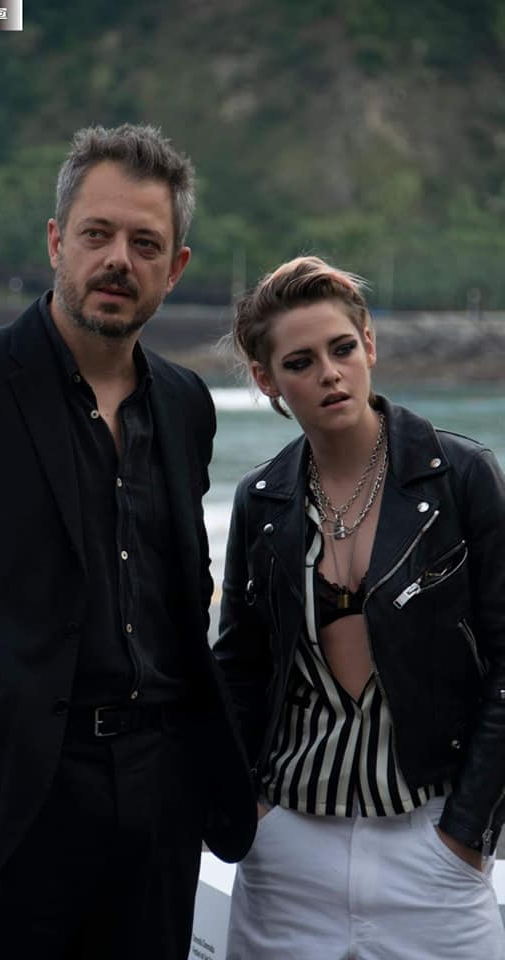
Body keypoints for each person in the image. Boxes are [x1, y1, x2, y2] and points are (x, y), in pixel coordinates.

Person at [0, 123, 256, 959]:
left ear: (176, 267)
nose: (118, 260)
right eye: (96, 234)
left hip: (157, 813)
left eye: (145, 244)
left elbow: (180, 600)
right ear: (55, 242)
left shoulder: (185, 405)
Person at [213, 254, 505, 959]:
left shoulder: (461, 477)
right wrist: (251, 812)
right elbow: (239, 668)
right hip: (287, 856)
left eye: (342, 348)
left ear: (369, 344)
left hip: (431, 848)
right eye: (301, 362)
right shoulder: (261, 501)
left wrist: (468, 832)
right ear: (267, 380)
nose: (330, 374)